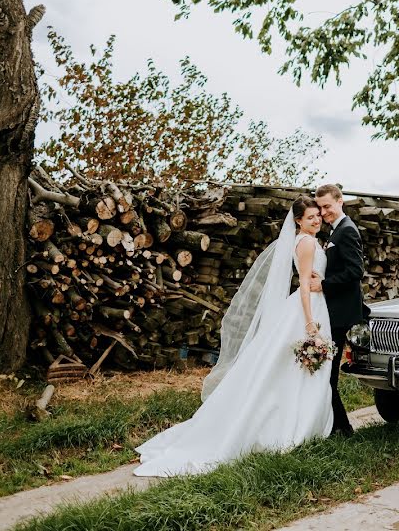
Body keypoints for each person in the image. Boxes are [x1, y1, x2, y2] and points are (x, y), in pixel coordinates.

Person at [133, 196, 333, 477]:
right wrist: (310, 322)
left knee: (288, 369)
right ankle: (295, 426)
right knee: (297, 369)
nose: (316, 220)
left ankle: (296, 421)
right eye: (310, 217)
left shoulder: (301, 240)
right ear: (298, 220)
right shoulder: (308, 242)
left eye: (318, 216)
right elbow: (303, 284)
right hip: (307, 310)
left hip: (308, 306)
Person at [311, 183, 369, 436]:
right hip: (334, 311)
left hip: (341, 313)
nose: (324, 212)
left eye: (327, 206)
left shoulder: (346, 231)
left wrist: (323, 284)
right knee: (327, 372)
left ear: (340, 201)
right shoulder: (336, 231)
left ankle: (342, 428)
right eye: (321, 208)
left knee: (329, 373)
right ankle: (337, 425)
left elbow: (356, 271)